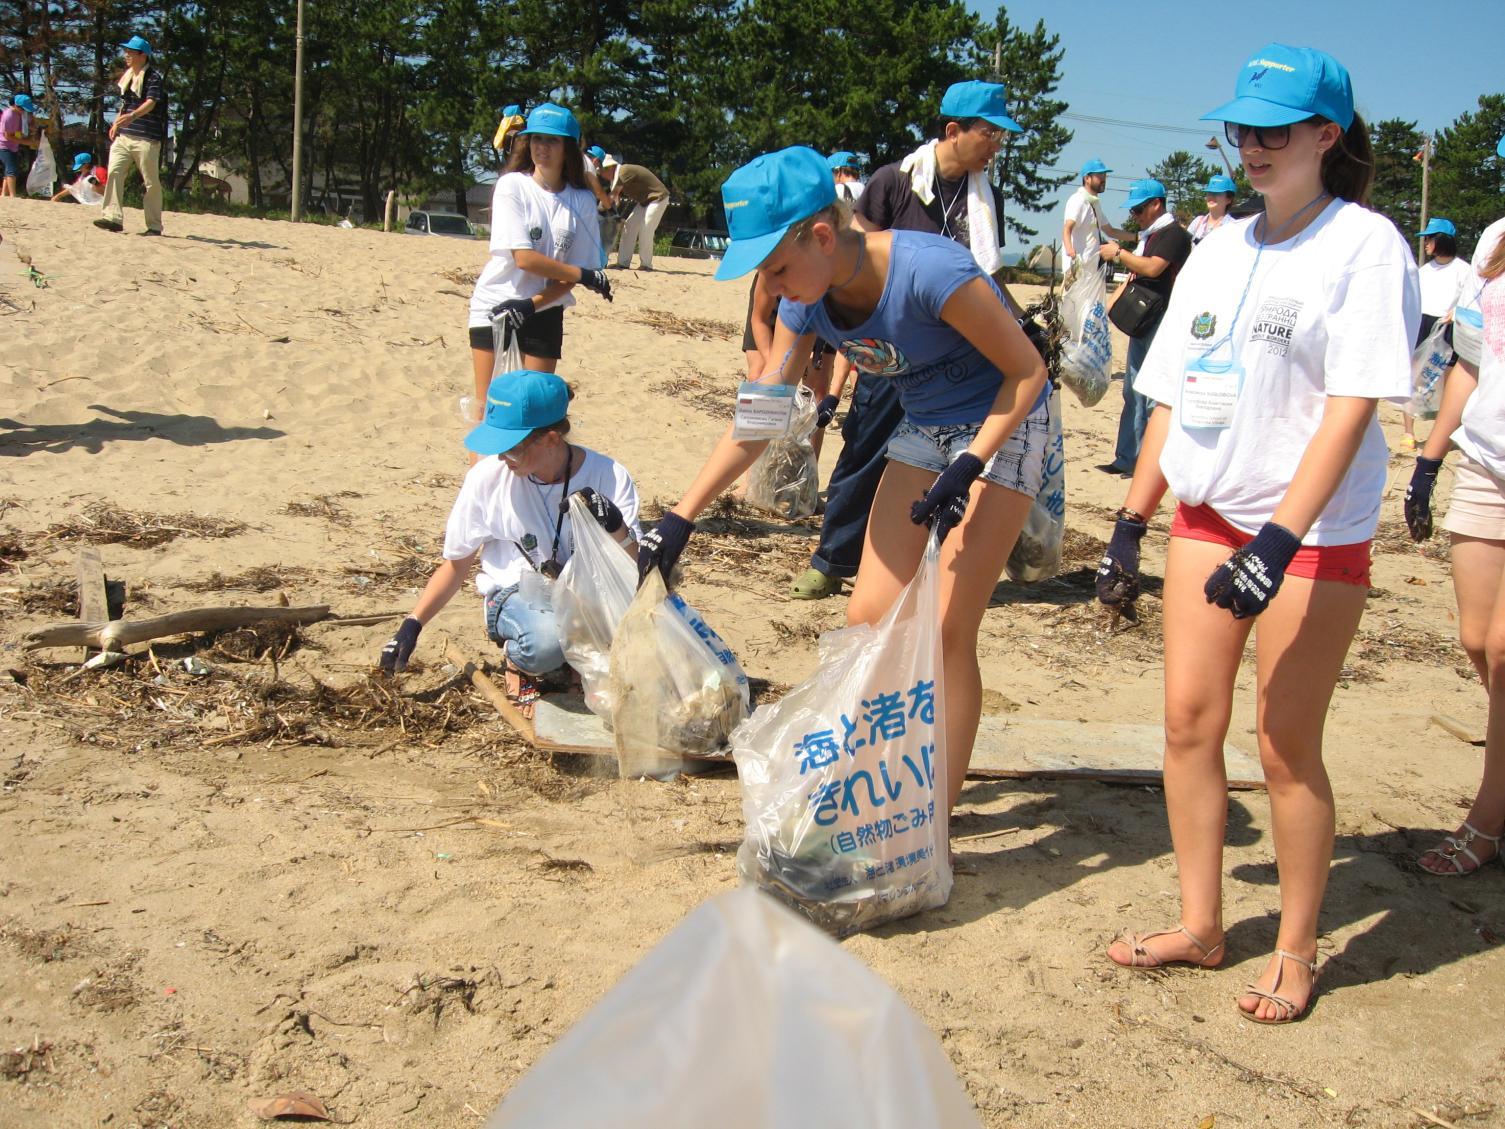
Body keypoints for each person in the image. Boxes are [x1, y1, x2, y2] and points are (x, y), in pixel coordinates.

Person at [1095, 44, 1419, 1024]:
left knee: (1283, 746)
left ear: (1327, 134)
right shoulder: (1220, 245)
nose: (1252, 146)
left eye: (1274, 129)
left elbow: (1352, 405)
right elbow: (1167, 398)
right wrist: (1127, 522)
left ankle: (1293, 945)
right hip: (1204, 510)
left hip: (1307, 534)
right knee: (1188, 725)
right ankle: (1200, 924)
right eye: (1241, 128)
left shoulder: (1364, 247)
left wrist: (1277, 540)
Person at [637, 145, 1048, 818]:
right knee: (867, 617)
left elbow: (1027, 372)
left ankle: (931, 820)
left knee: (945, 629)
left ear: (822, 236)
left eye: (774, 269)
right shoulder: (806, 300)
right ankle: (893, 764)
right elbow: (761, 414)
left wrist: (972, 461)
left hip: (1003, 421)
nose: (768, 291)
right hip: (922, 428)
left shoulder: (928, 270)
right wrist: (681, 515)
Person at [789, 79, 1033, 601]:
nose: (996, 145)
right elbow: (851, 263)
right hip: (888, 349)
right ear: (953, 130)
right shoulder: (893, 182)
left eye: (1001, 136)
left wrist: (1019, 323)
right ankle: (832, 559)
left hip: (957, 350)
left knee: (949, 476)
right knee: (863, 452)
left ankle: (934, 565)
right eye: (990, 133)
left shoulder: (986, 199)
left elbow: (986, 280)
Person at [379, 369, 641, 711]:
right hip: (519, 595)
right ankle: (522, 663)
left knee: (639, 641)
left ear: (550, 439)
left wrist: (616, 526)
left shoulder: (610, 475)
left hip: (588, 594)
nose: (502, 457)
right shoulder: (487, 479)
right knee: (546, 642)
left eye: (511, 449)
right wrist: (412, 625)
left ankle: (579, 669)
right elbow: (457, 565)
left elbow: (635, 568)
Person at [1403, 171, 1505, 877]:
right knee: (1476, 639)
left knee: (1503, 649)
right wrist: (1428, 459)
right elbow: (1468, 367)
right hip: (1487, 463)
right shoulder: (1495, 245)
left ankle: (1487, 821)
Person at [467, 102, 613, 432]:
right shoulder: (512, 186)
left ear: (568, 148)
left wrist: (534, 304)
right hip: (496, 304)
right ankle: (481, 483)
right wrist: (585, 275)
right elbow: (524, 258)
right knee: (488, 411)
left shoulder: (581, 200)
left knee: (535, 416)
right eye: (536, 139)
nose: (542, 147)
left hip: (544, 309)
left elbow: (568, 276)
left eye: (552, 140)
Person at [1096, 178, 1193, 477]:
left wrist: (1118, 253)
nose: (1135, 215)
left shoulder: (1174, 234)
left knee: (1154, 394)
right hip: (1145, 319)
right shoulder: (1150, 234)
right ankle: (1127, 458)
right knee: (1133, 389)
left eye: (1139, 209)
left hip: (1164, 318)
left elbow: (1152, 268)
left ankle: (1151, 463)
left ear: (1156, 204)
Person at [1401, 217, 1472, 451]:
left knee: (1450, 382)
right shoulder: (1423, 271)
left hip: (1448, 328)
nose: (1425, 244)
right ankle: (1408, 432)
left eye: (1429, 239)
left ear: (1442, 240)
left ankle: (1442, 435)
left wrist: (1456, 312)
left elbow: (1471, 300)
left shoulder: (1463, 270)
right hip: (1423, 324)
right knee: (1413, 377)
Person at [93, 36, 166, 235]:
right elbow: (125, 104)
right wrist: (117, 122)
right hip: (124, 136)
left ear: (142, 55)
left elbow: (151, 102)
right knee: (114, 172)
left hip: (146, 138)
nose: (126, 55)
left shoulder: (153, 77)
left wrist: (132, 116)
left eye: (131, 52)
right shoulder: (128, 77)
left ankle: (154, 226)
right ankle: (112, 217)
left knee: (150, 182)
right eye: (126, 51)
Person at [603, 157, 670, 270]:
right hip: (645, 201)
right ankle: (623, 263)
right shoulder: (616, 178)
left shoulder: (623, 171)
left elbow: (614, 195)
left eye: (603, 170)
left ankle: (646, 264)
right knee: (629, 226)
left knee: (646, 227)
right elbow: (616, 200)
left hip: (658, 198)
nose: (602, 174)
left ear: (610, 168)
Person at [1062, 158, 1113, 271]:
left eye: (1105, 176)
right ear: (1087, 178)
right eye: (1100, 176)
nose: (1103, 180)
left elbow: (1110, 231)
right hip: (1078, 270)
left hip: (1091, 270)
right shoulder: (1078, 200)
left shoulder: (1094, 204)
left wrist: (1137, 237)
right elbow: (1067, 228)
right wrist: (1070, 250)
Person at [1, 93, 38, 197]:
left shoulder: (22, 113)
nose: (25, 111)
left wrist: (32, 126)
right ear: (16, 106)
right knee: (12, 169)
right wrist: (27, 142)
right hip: (4, 145)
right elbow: (8, 136)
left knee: (9, 168)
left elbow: (31, 121)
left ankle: (4, 194)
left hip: (14, 145)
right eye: (23, 109)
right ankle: (13, 195)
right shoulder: (8, 115)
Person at [1188, 174, 1239, 245]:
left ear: (1229, 199)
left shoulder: (1234, 227)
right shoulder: (1197, 222)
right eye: (1209, 193)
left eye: (1217, 194)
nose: (1211, 197)